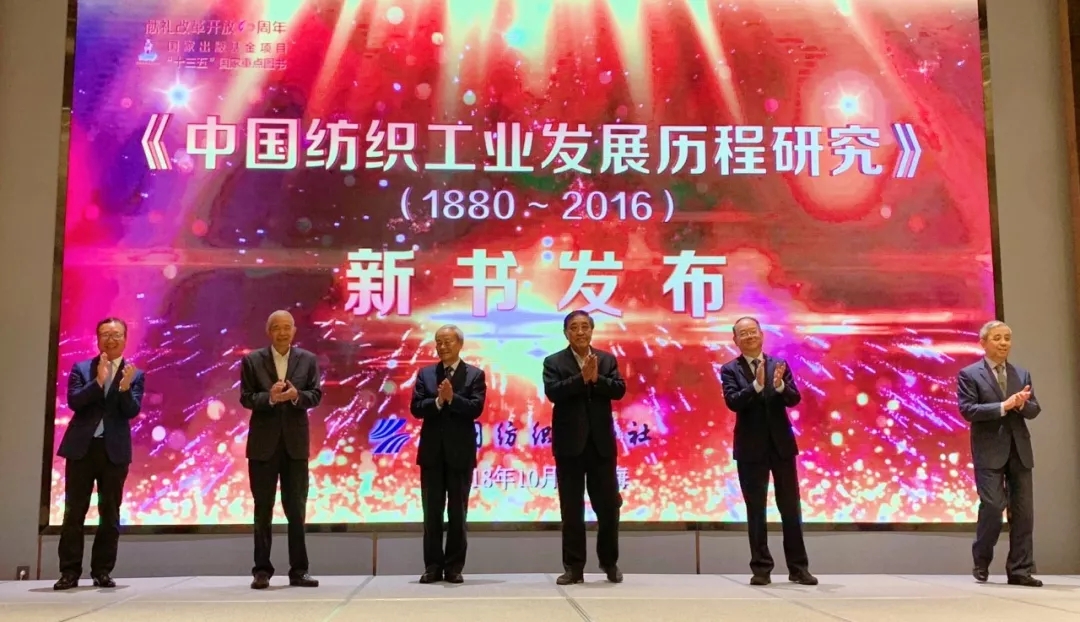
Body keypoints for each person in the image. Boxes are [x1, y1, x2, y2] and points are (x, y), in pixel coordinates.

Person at [720, 316, 817, 586]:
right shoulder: (730, 370)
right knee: (756, 510)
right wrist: (756, 386)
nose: (749, 336)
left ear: (762, 335)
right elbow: (733, 402)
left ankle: (798, 568)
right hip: (750, 449)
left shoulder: (779, 365)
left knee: (790, 508)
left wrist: (780, 386)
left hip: (781, 447)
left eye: (753, 332)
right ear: (735, 340)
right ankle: (761, 569)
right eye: (743, 333)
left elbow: (794, 398)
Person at [54, 318, 144, 590]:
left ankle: (102, 571)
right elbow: (75, 402)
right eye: (105, 334)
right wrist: (98, 382)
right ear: (97, 339)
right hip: (82, 449)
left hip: (114, 451)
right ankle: (69, 572)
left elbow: (131, 411)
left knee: (110, 513)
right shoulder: (81, 368)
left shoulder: (134, 373)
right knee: (74, 512)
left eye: (116, 334)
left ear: (125, 339)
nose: (110, 339)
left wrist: (124, 388)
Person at [240, 310, 322, 589]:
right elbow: (246, 398)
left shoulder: (308, 360)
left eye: (287, 327)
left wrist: (297, 396)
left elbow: (316, 395)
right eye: (277, 327)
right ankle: (261, 570)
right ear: (269, 331)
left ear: (294, 331)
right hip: (262, 446)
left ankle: (299, 570)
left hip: (295, 446)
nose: (283, 332)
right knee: (263, 509)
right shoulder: (252, 360)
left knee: (296, 509)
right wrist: (271, 398)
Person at [542, 310, 625, 585]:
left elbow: (619, 389)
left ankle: (609, 563)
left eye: (585, 327)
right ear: (566, 333)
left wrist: (596, 378)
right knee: (571, 510)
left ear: (592, 330)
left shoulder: (607, 359)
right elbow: (553, 392)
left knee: (609, 507)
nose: (580, 332)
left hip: (601, 446)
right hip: (569, 446)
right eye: (574, 327)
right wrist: (582, 378)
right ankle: (574, 567)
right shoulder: (553, 361)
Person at [956, 320, 1041, 587]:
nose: (1004, 343)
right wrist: (1004, 405)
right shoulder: (969, 374)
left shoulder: (1022, 374)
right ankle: (981, 561)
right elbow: (968, 410)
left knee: (1023, 513)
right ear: (983, 343)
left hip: (1019, 450)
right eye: (997, 338)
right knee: (993, 507)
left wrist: (1022, 405)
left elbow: (1034, 409)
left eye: (1007, 338)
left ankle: (1020, 570)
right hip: (989, 451)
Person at [409, 325, 487, 583]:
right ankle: (432, 566)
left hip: (460, 454)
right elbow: (416, 408)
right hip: (431, 454)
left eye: (448, 342)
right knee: (431, 514)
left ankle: (454, 567)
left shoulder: (474, 375)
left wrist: (453, 398)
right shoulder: (426, 374)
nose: (442, 346)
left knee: (457, 513)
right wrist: (439, 401)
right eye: (438, 342)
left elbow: (476, 408)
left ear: (460, 344)